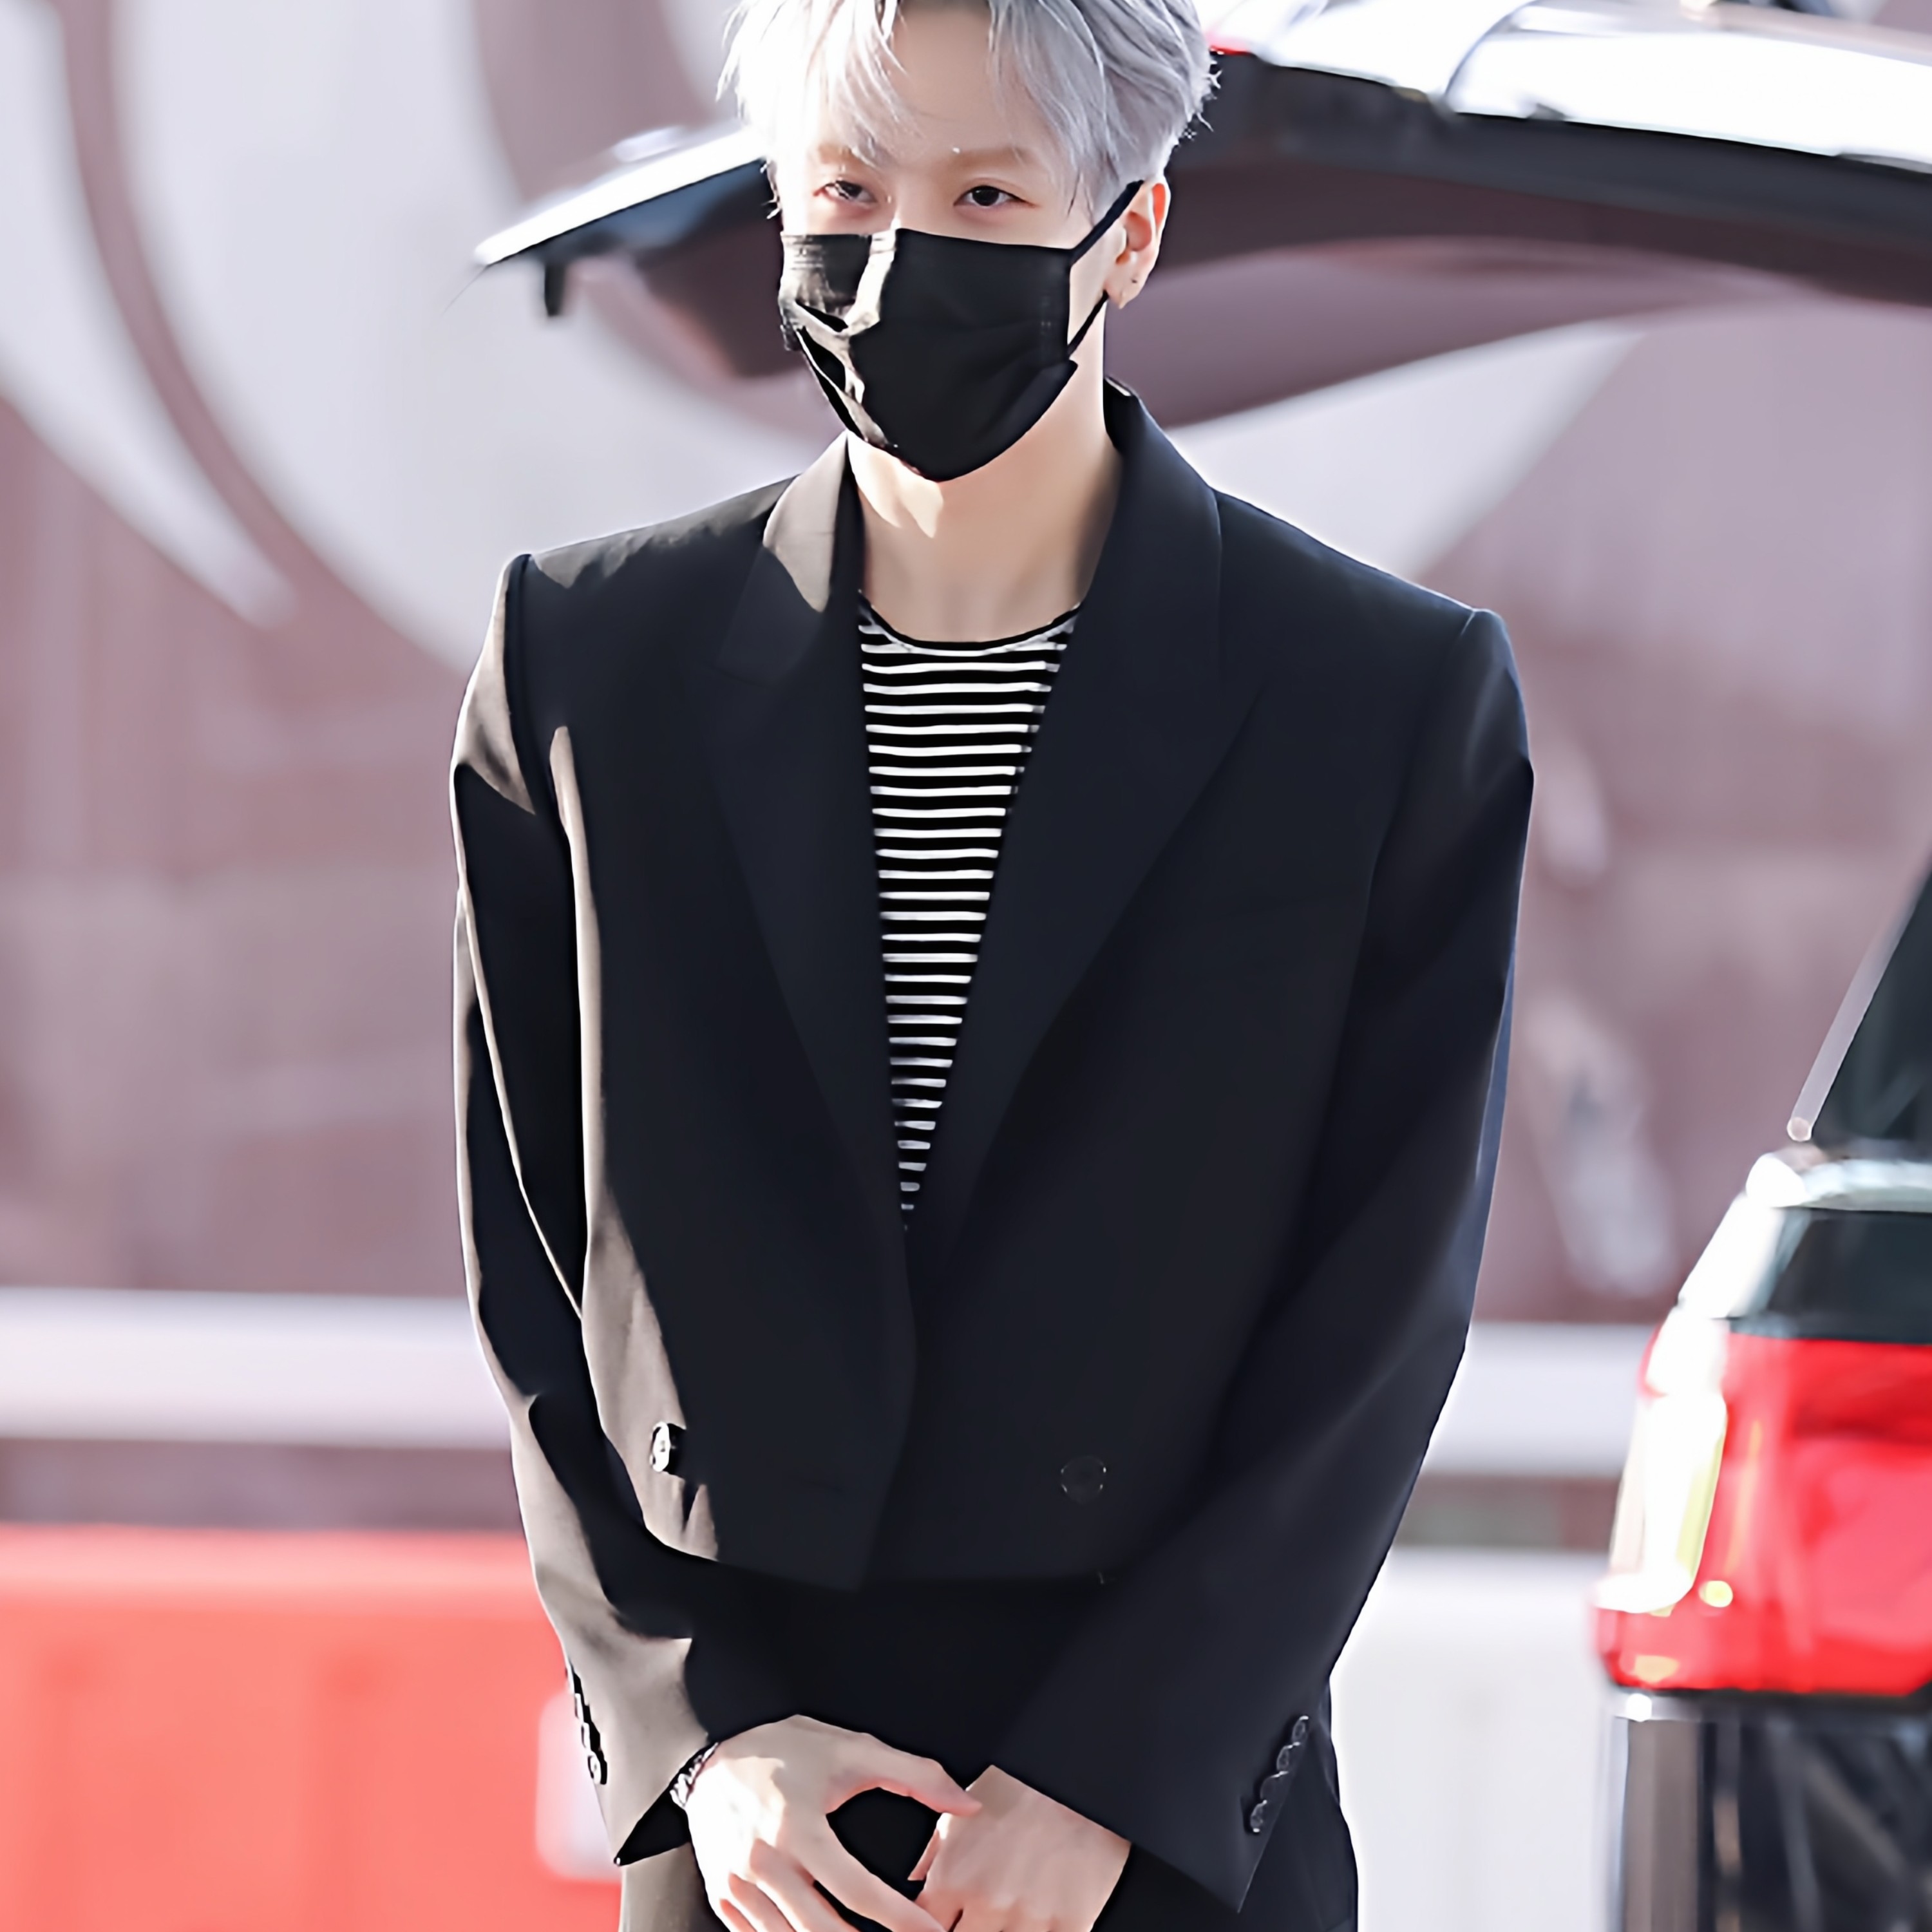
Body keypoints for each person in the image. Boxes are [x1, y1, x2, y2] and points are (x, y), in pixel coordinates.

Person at [451, 0, 1531, 1925]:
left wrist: (1116, 1778)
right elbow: (537, 1266)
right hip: (764, 1843)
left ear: (1131, 230)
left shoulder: (1380, 701)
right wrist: (702, 1731)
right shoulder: (584, 673)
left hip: (1161, 1836)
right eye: (845, 191)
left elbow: (1382, 1312)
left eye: (984, 196)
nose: (896, 264)